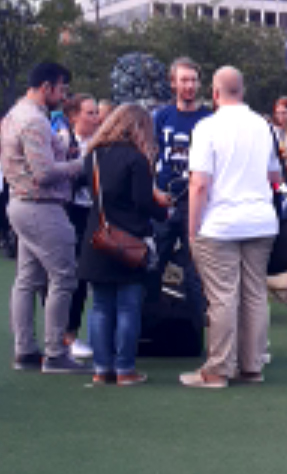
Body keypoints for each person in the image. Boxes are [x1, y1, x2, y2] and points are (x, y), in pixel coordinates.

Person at [181, 67, 279, 388]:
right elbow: (274, 176)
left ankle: (219, 368)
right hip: (260, 219)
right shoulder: (263, 126)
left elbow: (199, 184)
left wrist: (192, 229)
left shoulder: (207, 127)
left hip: (220, 222)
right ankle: (252, 365)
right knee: (255, 294)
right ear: (242, 90)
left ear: (214, 92)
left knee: (222, 297)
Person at [0, 60, 90, 372]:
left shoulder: (14, 114)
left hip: (21, 203)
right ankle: (55, 352)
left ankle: (25, 350)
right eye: (62, 89)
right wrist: (81, 164)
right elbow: (44, 173)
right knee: (63, 276)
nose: (64, 96)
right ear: (46, 87)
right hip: (41, 205)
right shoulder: (34, 120)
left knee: (27, 279)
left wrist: (62, 151)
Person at [78, 103, 166, 386]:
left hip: (98, 238)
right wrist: (163, 209)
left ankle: (101, 368)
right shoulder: (136, 159)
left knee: (100, 306)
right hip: (129, 242)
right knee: (128, 307)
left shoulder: (92, 156)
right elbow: (143, 202)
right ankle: (125, 368)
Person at [152, 57, 208, 340]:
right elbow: (149, 155)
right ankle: (146, 332)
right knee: (153, 266)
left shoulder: (209, 119)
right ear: (173, 83)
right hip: (163, 199)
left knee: (196, 271)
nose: (189, 86)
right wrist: (153, 191)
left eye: (193, 80)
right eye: (184, 80)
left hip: (195, 202)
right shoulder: (160, 117)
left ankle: (203, 339)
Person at [63, 92, 102, 360]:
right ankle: (67, 334)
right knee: (73, 275)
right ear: (74, 116)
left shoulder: (101, 143)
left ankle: (89, 333)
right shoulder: (63, 142)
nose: (96, 117)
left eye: (96, 112)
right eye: (90, 113)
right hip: (71, 212)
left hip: (96, 213)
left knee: (91, 274)